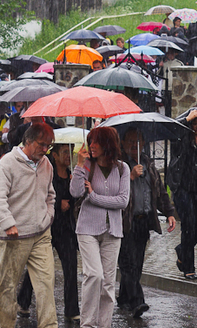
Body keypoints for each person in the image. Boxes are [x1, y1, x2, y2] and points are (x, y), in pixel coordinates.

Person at [0, 122, 57, 328]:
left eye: (49, 145)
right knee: (7, 288)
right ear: (28, 141)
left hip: (41, 234)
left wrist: (48, 217)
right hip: (14, 236)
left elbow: (50, 196)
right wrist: (8, 223)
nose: (45, 150)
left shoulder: (47, 164)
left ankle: (49, 325)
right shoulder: (7, 163)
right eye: (41, 144)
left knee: (46, 285)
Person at [70, 126, 130, 328]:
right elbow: (76, 192)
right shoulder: (87, 164)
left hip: (113, 231)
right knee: (94, 275)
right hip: (87, 228)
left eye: (96, 142)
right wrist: (79, 166)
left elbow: (122, 201)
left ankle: (104, 325)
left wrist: (94, 196)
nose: (91, 146)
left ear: (108, 144)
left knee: (108, 284)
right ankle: (87, 324)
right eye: (90, 141)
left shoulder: (122, 168)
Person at [16, 143, 81, 323]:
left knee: (70, 267)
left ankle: (71, 309)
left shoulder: (71, 175)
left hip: (66, 229)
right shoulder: (48, 174)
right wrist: (58, 203)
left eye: (70, 152)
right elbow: (41, 194)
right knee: (37, 266)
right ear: (55, 156)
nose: (68, 156)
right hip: (48, 227)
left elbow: (76, 196)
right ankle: (23, 301)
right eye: (64, 153)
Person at [118, 128, 177, 318]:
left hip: (143, 221)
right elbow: (113, 191)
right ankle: (137, 301)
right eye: (129, 141)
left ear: (143, 143)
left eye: (137, 141)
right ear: (123, 143)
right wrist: (130, 177)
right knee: (128, 264)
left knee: (137, 263)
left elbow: (159, 191)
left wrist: (169, 212)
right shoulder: (119, 166)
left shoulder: (148, 164)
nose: (133, 146)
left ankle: (124, 298)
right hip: (125, 222)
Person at [168, 108, 197, 280]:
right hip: (183, 185)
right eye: (194, 124)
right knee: (188, 225)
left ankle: (182, 250)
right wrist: (186, 121)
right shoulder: (181, 136)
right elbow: (174, 133)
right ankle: (189, 267)